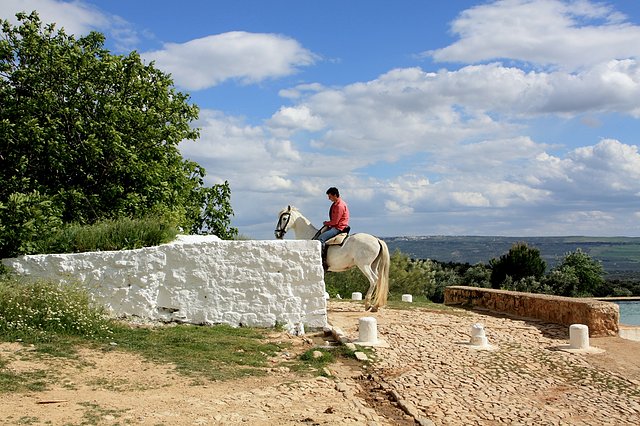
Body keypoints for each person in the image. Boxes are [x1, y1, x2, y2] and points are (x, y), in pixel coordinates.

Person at [316, 187, 350, 252]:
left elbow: (335, 222)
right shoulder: (336, 203)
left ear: (335, 195)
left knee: (320, 239)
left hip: (338, 228)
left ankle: (322, 257)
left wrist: (326, 223)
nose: (329, 198)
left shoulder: (339, 206)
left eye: (330, 196)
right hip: (336, 226)